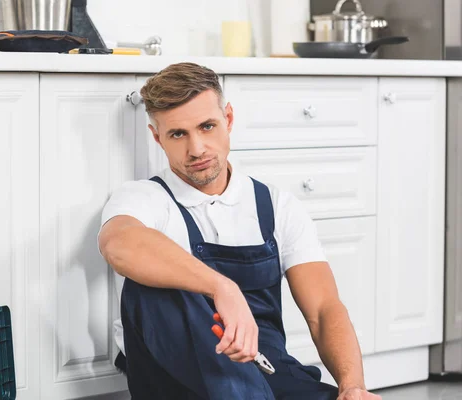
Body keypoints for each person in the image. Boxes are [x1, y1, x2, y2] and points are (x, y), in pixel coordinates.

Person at [98, 62, 381, 400]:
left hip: (266, 370)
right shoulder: (143, 198)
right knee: (150, 282)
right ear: (157, 136)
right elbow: (118, 243)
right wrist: (222, 288)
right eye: (178, 134)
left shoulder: (277, 206)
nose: (197, 149)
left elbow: (323, 309)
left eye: (207, 126)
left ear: (228, 120)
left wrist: (352, 386)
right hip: (179, 382)